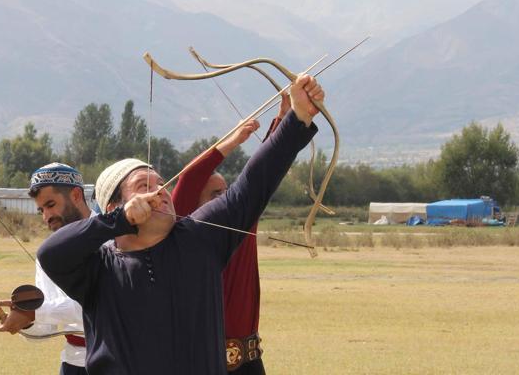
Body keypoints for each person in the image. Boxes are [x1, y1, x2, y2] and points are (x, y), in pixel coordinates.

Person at [37, 74, 324, 374]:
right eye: (143, 185)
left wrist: (298, 116)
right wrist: (119, 222)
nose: (160, 191)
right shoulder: (97, 269)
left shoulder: (199, 237)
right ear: (114, 206)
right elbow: (51, 254)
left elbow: (252, 184)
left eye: (160, 183)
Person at [171, 93, 291, 374]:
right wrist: (234, 140)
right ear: (192, 204)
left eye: (226, 191)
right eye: (215, 193)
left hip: (250, 363)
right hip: (205, 364)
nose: (226, 197)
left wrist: (284, 123)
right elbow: (189, 179)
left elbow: (262, 172)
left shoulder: (242, 222)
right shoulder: (185, 231)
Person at [0, 162, 92, 375]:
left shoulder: (112, 238)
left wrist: (34, 311)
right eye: (41, 210)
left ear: (76, 195)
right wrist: (23, 321)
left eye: (51, 205)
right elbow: (45, 328)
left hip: (120, 362)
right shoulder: (49, 252)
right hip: (73, 365)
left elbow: (98, 306)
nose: (46, 217)